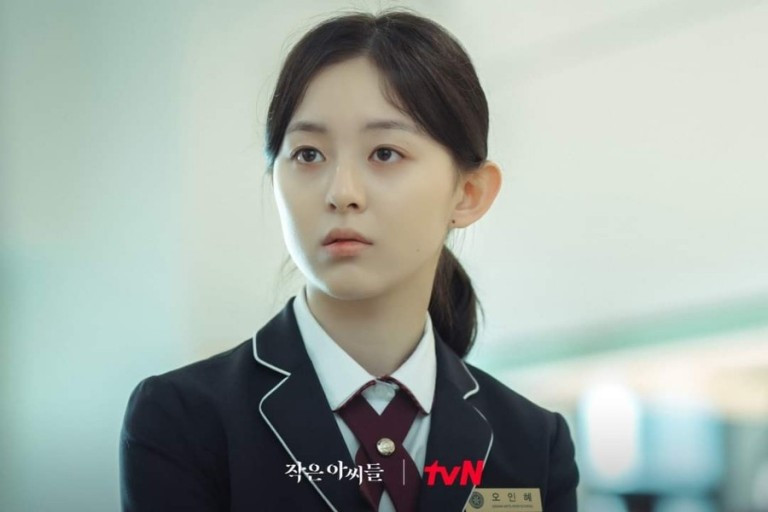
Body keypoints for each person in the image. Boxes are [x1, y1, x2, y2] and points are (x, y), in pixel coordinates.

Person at [119, 8, 579, 512]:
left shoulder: (534, 443)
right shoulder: (184, 420)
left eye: (384, 153)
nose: (342, 193)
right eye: (308, 155)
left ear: (469, 193)